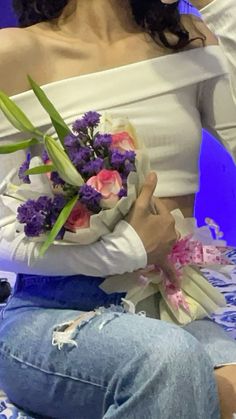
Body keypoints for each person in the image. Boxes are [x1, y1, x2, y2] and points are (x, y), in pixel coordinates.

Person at [0, 0, 236, 417]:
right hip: (53, 312)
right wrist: (125, 250)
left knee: (185, 369)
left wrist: (216, 3)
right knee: (169, 362)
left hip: (171, 303)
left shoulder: (187, 39)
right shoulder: (14, 53)